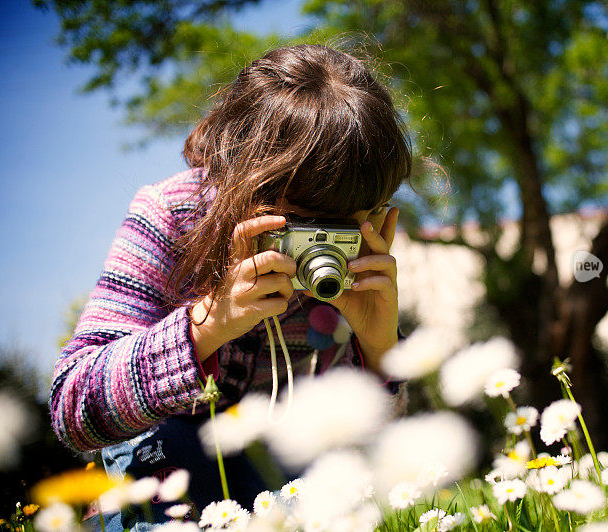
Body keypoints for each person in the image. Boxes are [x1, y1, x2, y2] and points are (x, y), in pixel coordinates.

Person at [49, 44, 412, 527]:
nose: (330, 245)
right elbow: (72, 409)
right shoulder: (169, 216)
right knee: (173, 463)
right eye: (311, 224)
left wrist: (381, 350)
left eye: (362, 216)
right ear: (242, 175)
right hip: (166, 454)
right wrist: (207, 326)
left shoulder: (359, 251)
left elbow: (361, 443)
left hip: (280, 454)